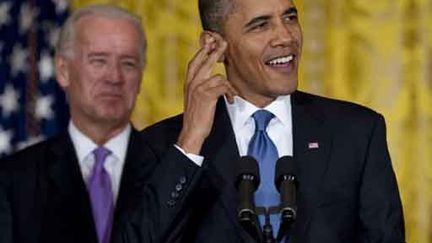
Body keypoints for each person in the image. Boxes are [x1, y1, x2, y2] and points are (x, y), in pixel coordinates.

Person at [122, 0, 406, 242]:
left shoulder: (356, 132)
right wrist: (190, 143)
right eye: (260, 25)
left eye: (290, 17)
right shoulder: (160, 147)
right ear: (214, 45)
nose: (286, 37)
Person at [0, 4, 202, 243]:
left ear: (140, 76)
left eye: (128, 63)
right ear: (63, 70)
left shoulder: (175, 173)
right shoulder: (14, 180)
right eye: (99, 61)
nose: (114, 77)